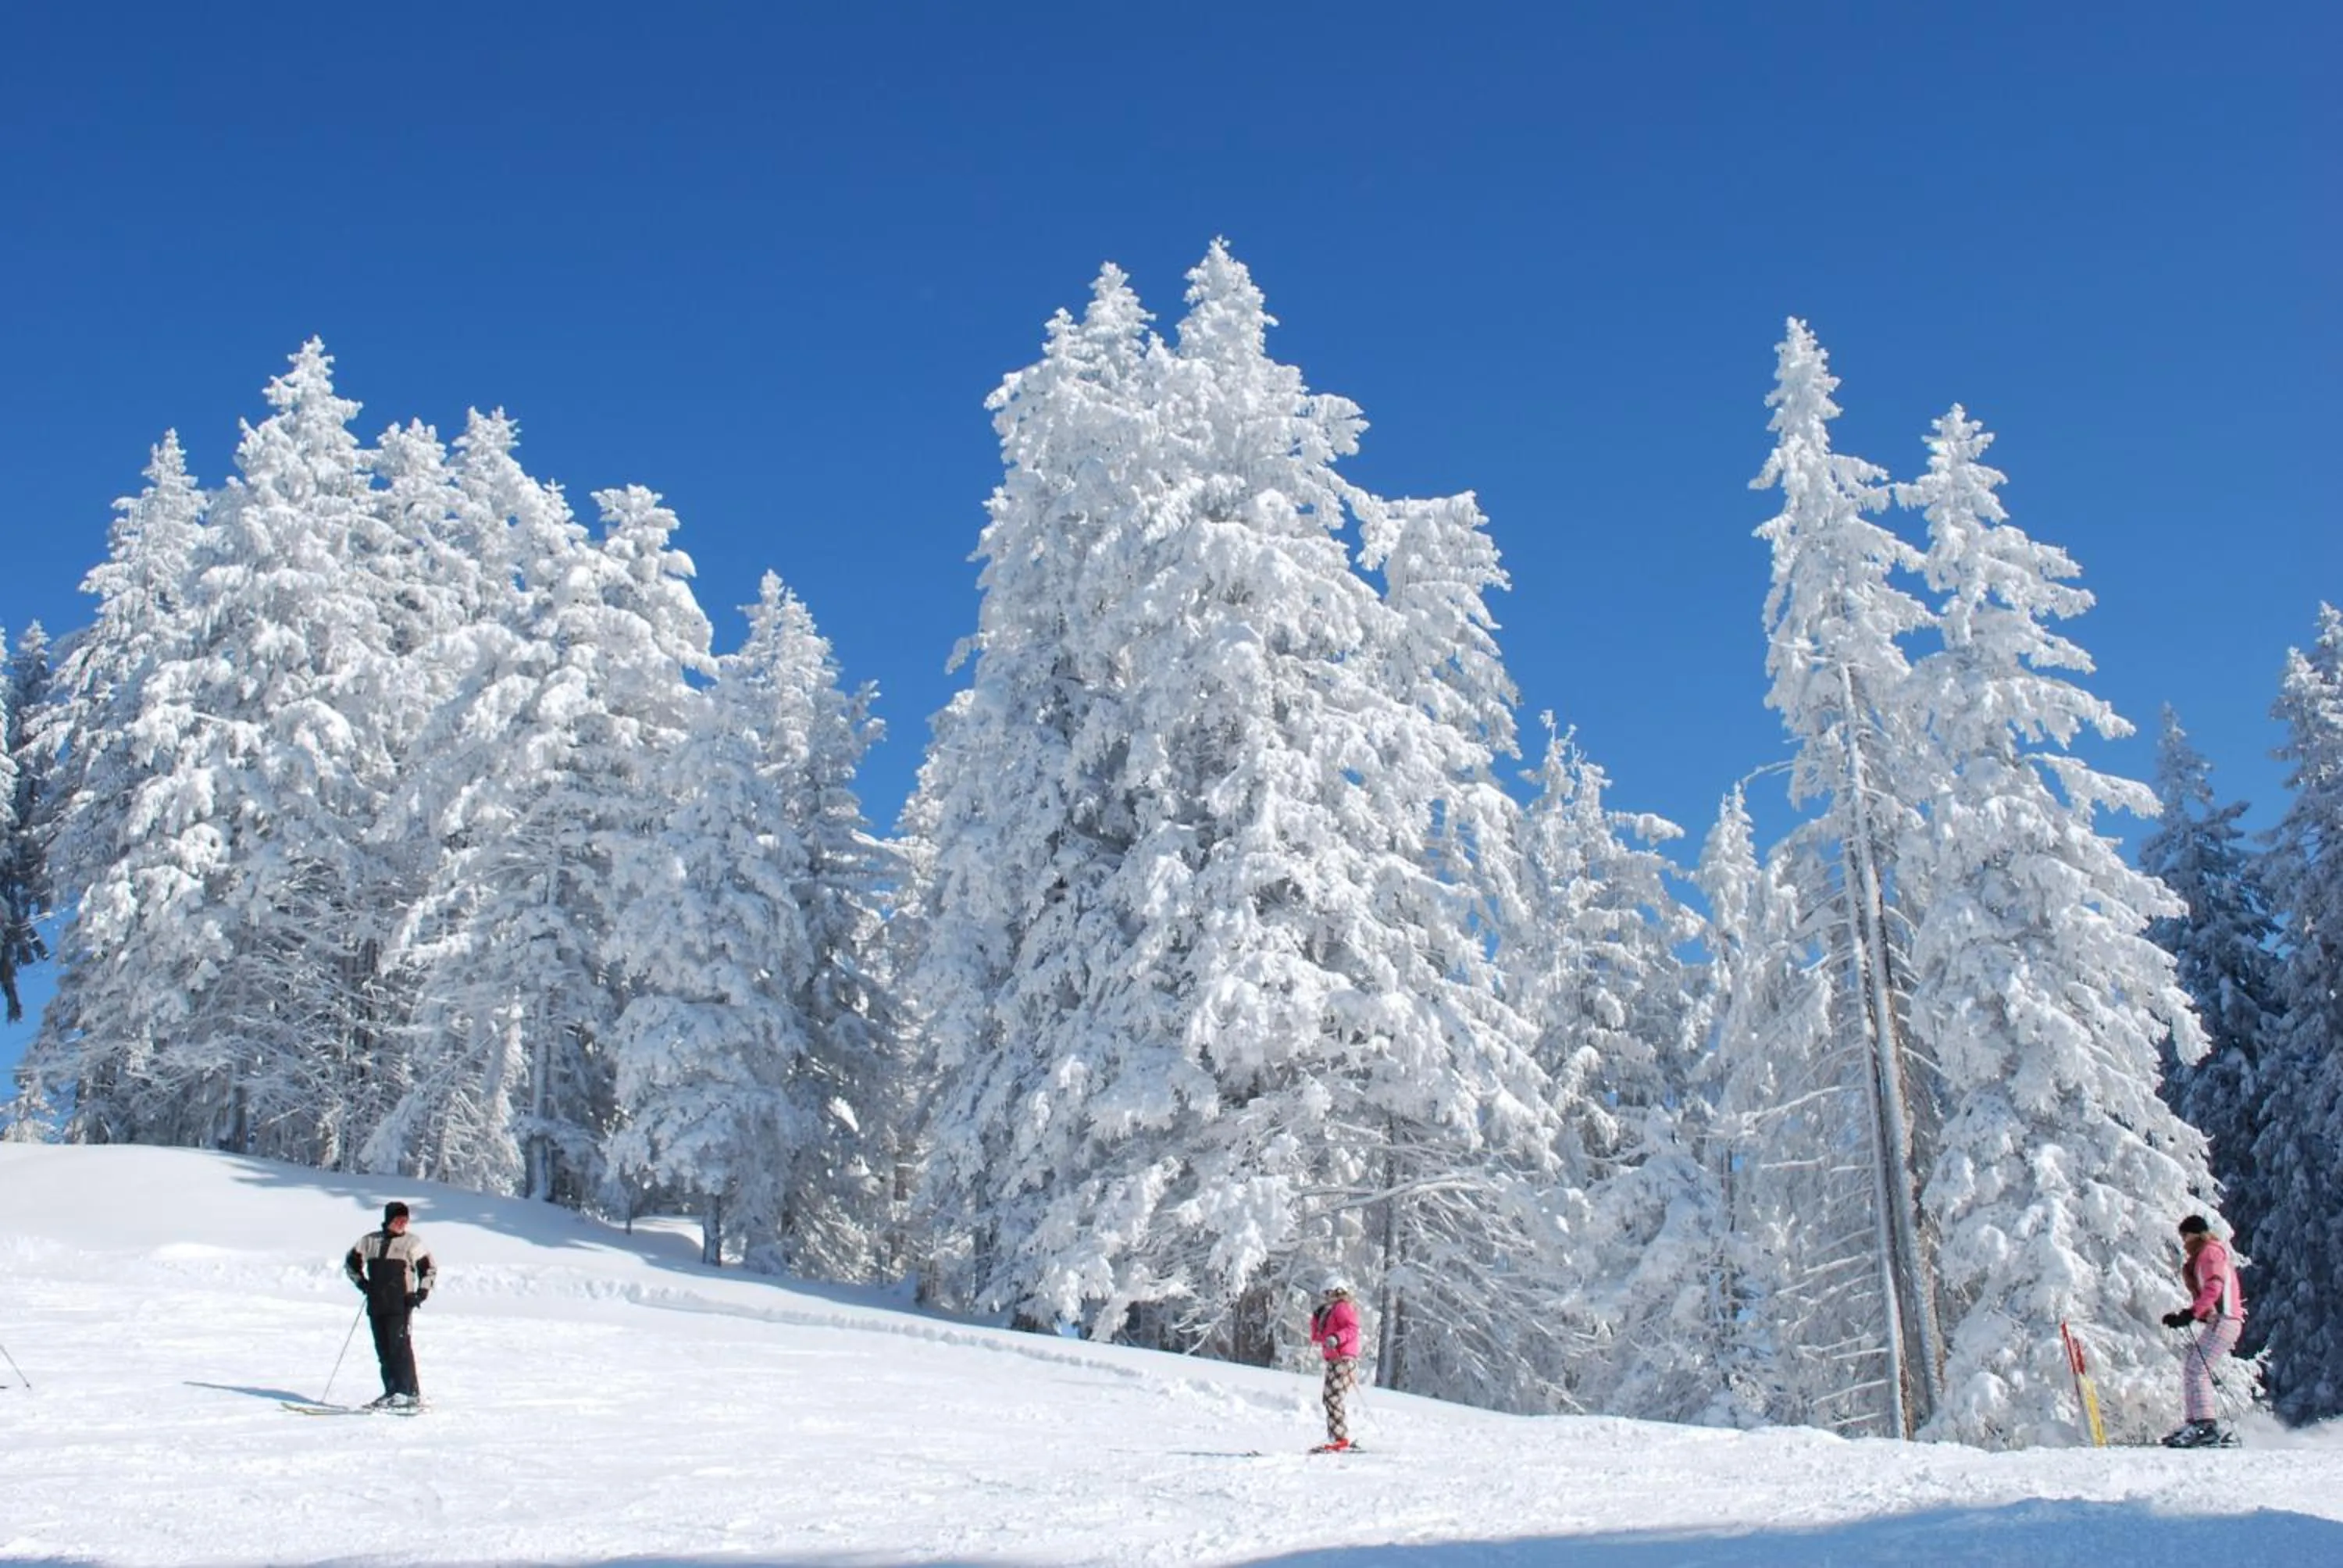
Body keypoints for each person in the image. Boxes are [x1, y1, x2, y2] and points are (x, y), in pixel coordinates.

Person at [2159, 1213, 2243, 1449]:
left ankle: (2205, 1425)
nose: (2183, 1241)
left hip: (2225, 1318)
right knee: (2193, 1366)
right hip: (2222, 1319)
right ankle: (2195, 1422)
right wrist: (2187, 1315)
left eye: (2185, 1235)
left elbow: (2214, 1286)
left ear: (2195, 1234)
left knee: (2196, 1368)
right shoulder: (2205, 1253)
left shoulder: (2210, 1252)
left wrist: (2192, 1313)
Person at [344, 1200, 436, 1409]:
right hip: (377, 1305)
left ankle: (408, 1393)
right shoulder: (370, 1241)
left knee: (400, 1349)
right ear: (388, 1220)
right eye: (398, 1219)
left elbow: (429, 1269)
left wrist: (421, 1293)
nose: (402, 1223)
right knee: (383, 1350)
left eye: (405, 1220)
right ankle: (392, 1392)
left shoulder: (412, 1243)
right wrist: (363, 1284)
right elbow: (351, 1263)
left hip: (400, 1305)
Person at [1307, 1276, 1361, 1453]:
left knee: (1333, 1397)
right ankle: (1336, 1437)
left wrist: (1337, 1338)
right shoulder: (1329, 1312)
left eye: (1328, 1293)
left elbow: (1352, 1328)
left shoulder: (1342, 1307)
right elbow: (1317, 1338)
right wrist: (1316, 1319)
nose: (1325, 1297)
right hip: (1334, 1360)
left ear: (1337, 1292)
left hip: (1343, 1359)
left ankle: (1340, 1439)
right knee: (1329, 1398)